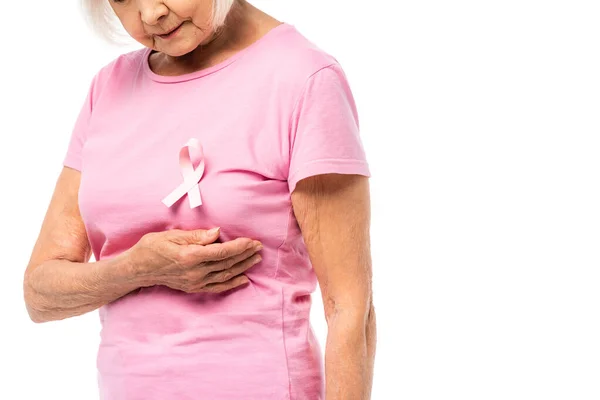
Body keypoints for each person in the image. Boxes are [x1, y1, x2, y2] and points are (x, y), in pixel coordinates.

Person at [23, 0, 377, 398]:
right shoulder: (109, 87)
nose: (150, 14)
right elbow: (40, 293)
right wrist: (136, 270)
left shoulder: (304, 78)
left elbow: (350, 311)